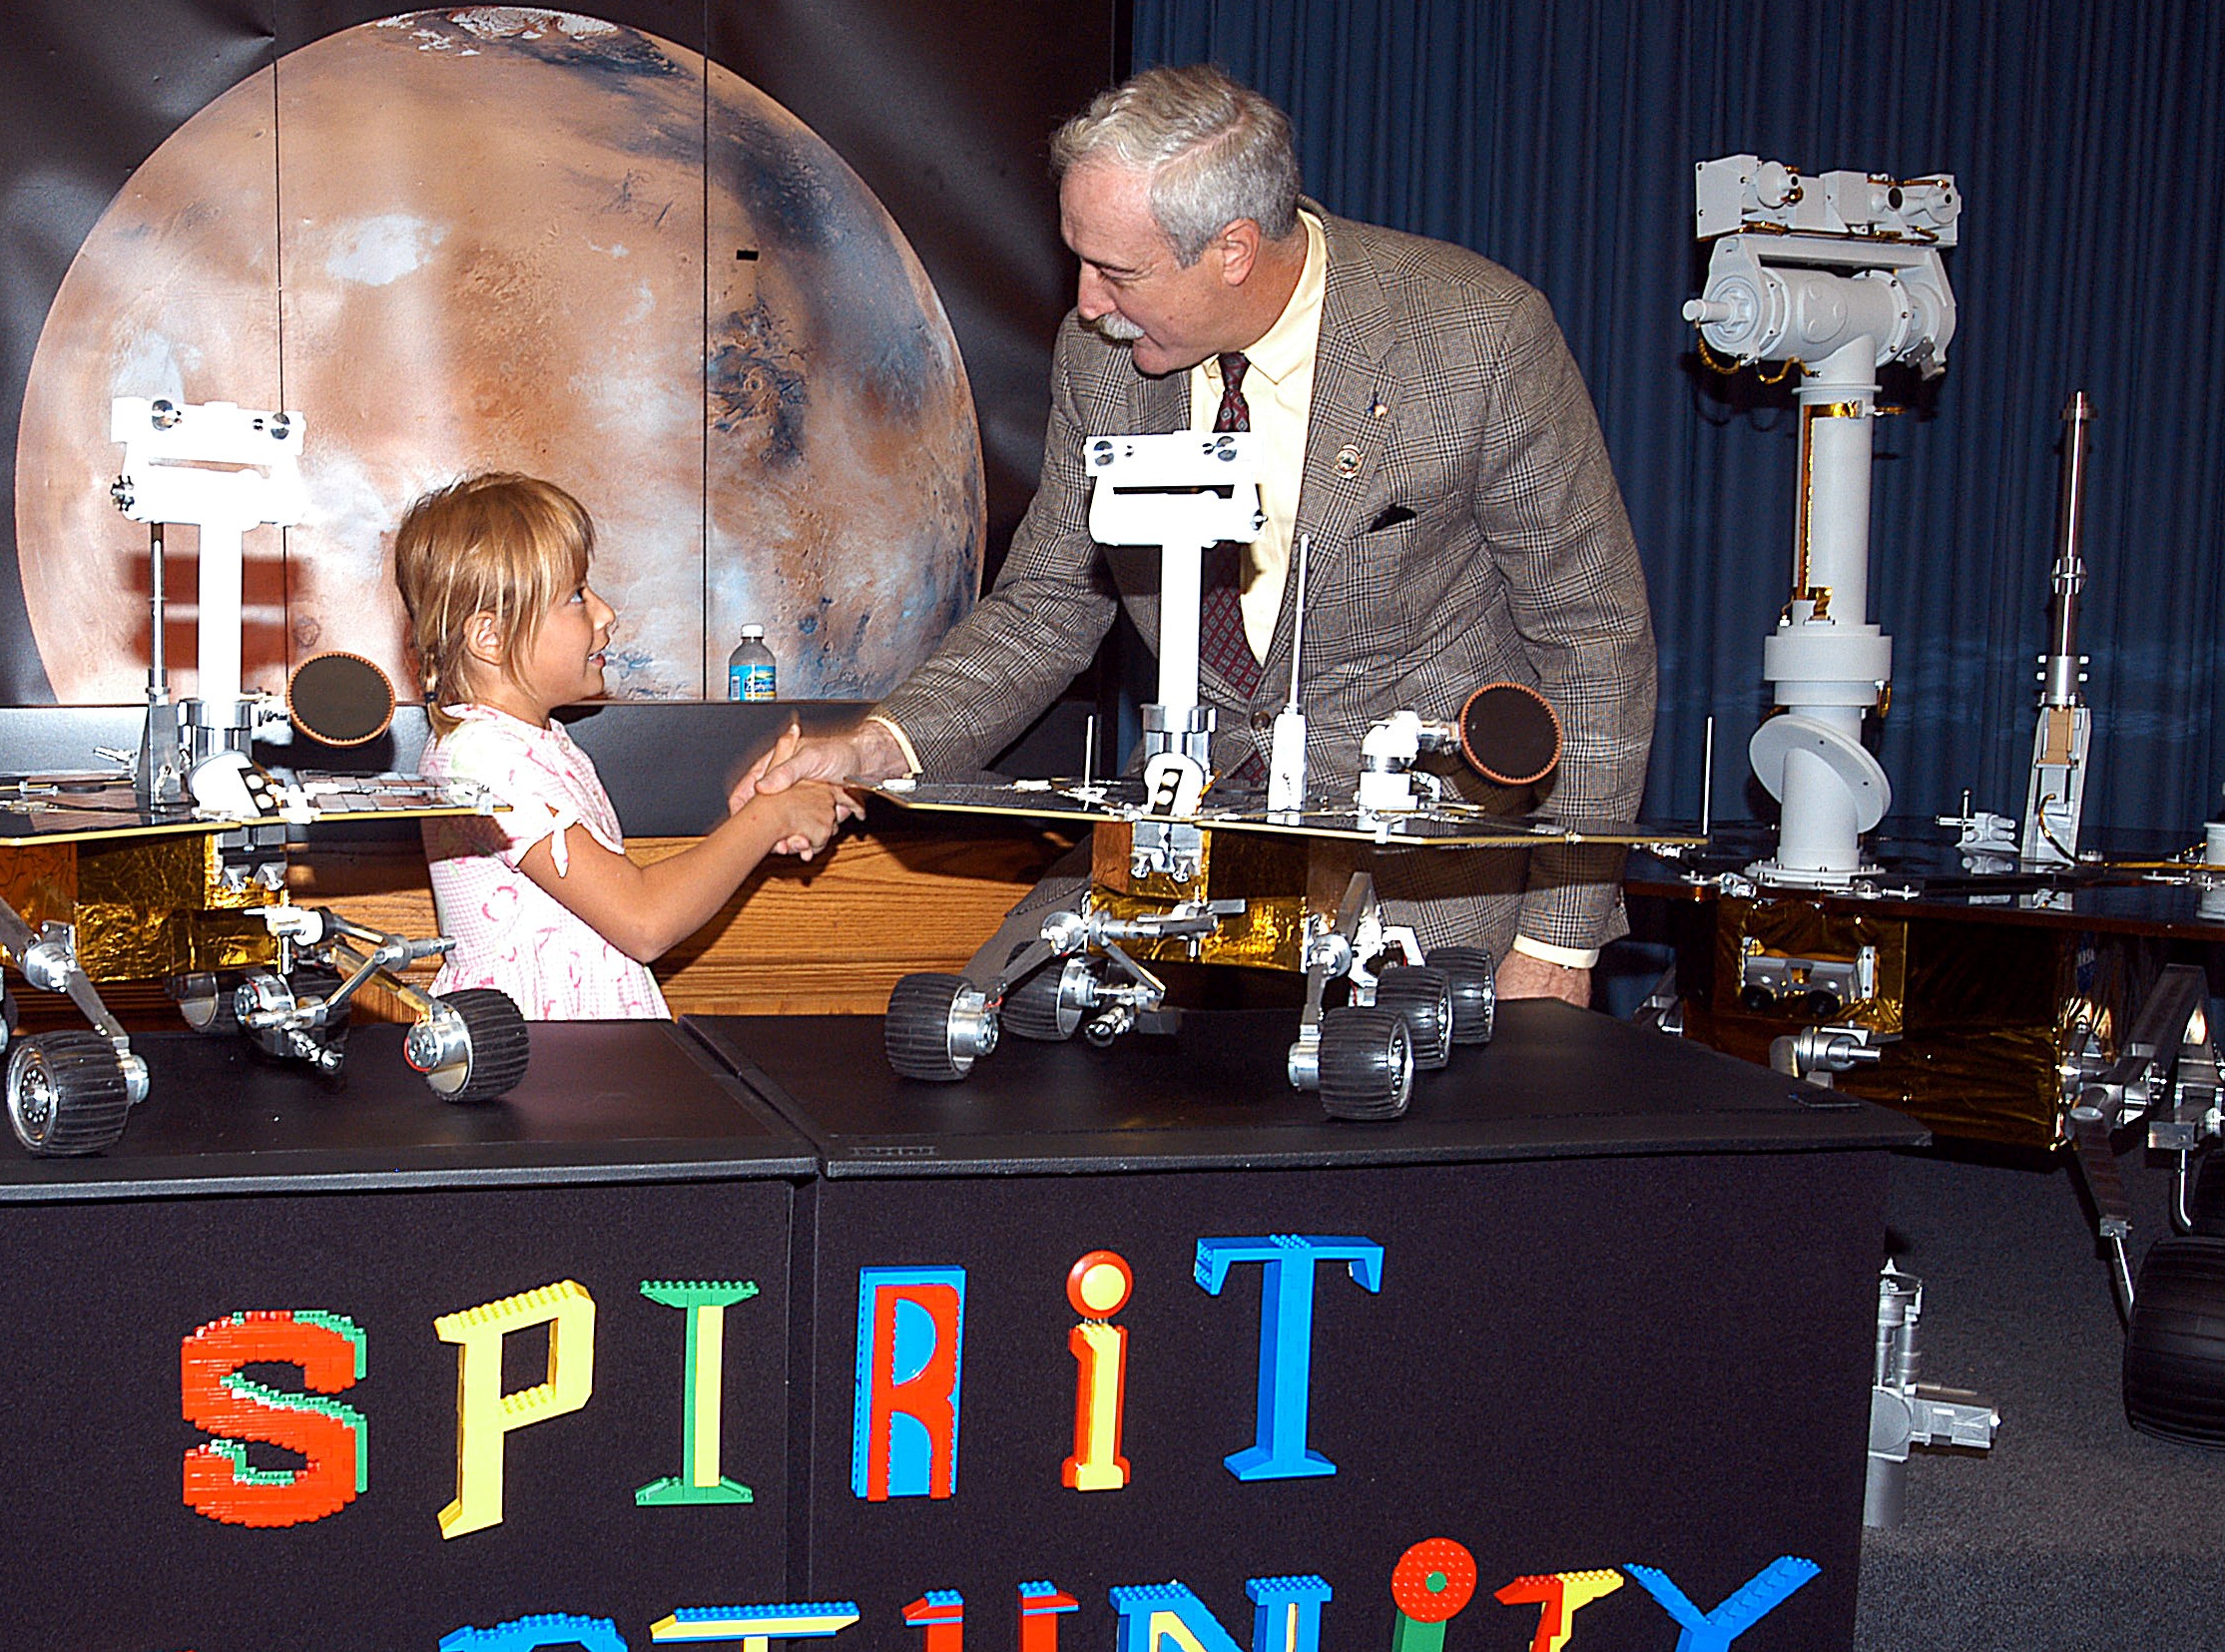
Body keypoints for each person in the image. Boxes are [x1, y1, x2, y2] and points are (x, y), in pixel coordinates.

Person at [735, 66, 1655, 1007]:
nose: (1089, 302)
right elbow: (1046, 607)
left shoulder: (1475, 340)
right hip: (1181, 854)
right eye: (1080, 263)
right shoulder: (1102, 359)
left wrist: (1560, 946)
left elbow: (1594, 644)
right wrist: (876, 746)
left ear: (1234, 249)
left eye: (1119, 272)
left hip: (1421, 884)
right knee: (1006, 1036)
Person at [403, 472, 845, 1021]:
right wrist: (770, 816)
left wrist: (760, 810)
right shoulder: (480, 760)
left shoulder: (534, 743)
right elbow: (643, 921)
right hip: (537, 1063)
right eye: (575, 597)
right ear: (489, 636)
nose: (605, 613)